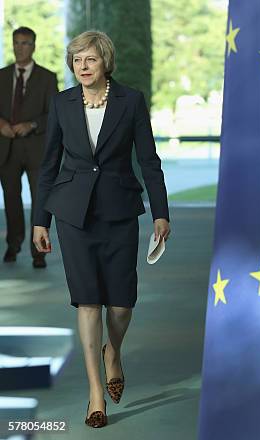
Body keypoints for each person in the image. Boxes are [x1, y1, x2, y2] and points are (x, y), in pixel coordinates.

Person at [32, 30, 171, 428]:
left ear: (105, 61)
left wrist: (161, 212)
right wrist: (41, 219)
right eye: (76, 61)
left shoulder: (130, 101)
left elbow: (148, 160)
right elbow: (49, 165)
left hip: (120, 211)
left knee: (123, 303)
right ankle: (96, 395)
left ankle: (115, 351)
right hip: (73, 216)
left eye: (89, 60)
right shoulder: (61, 104)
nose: (82, 67)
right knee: (88, 301)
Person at [0, 26, 58, 268]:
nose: (19, 47)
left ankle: (39, 252)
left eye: (24, 43)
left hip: (36, 149)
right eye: (16, 42)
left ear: (33, 46)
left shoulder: (47, 77)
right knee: (11, 200)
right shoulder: (1, 76)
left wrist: (32, 124)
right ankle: (13, 245)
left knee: (40, 200)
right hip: (7, 149)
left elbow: (55, 114)